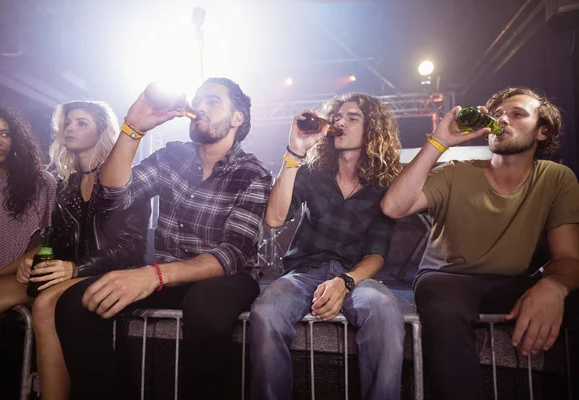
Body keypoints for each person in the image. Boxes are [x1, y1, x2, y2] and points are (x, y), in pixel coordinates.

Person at [54, 78, 272, 399]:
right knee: (78, 302)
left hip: (227, 277)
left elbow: (232, 254)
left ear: (237, 119)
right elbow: (111, 197)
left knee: (206, 305)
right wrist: (133, 128)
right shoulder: (173, 155)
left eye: (212, 101)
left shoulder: (253, 173)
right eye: (198, 99)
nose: (200, 106)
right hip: (168, 274)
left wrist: (152, 275)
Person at [380, 87, 579, 399]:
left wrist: (554, 287)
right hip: (448, 278)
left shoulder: (556, 178)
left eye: (517, 114)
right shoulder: (455, 172)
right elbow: (393, 207)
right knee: (443, 300)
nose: (502, 119)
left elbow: (568, 258)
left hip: (515, 281)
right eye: (497, 113)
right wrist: (439, 142)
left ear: (542, 132)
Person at [250, 93, 405, 400]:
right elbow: (273, 218)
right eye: (337, 116)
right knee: (266, 309)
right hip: (304, 272)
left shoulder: (384, 186)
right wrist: (294, 152)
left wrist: (346, 282)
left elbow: (377, 254)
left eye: (352, 117)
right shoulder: (312, 172)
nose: (340, 122)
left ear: (372, 129)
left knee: (384, 308)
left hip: (356, 276)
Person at [12, 100, 150, 399]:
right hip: (78, 273)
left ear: (102, 130)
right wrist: (35, 258)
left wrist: (76, 268)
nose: (70, 128)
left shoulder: (125, 176)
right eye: (68, 122)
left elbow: (129, 246)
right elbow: (60, 238)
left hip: (119, 272)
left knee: (46, 303)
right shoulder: (68, 182)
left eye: (81, 123)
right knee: (38, 300)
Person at [0, 104, 57, 390]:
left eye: (5, 133)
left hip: (22, 279)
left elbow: (49, 244)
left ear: (17, 139)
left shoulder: (42, 184)